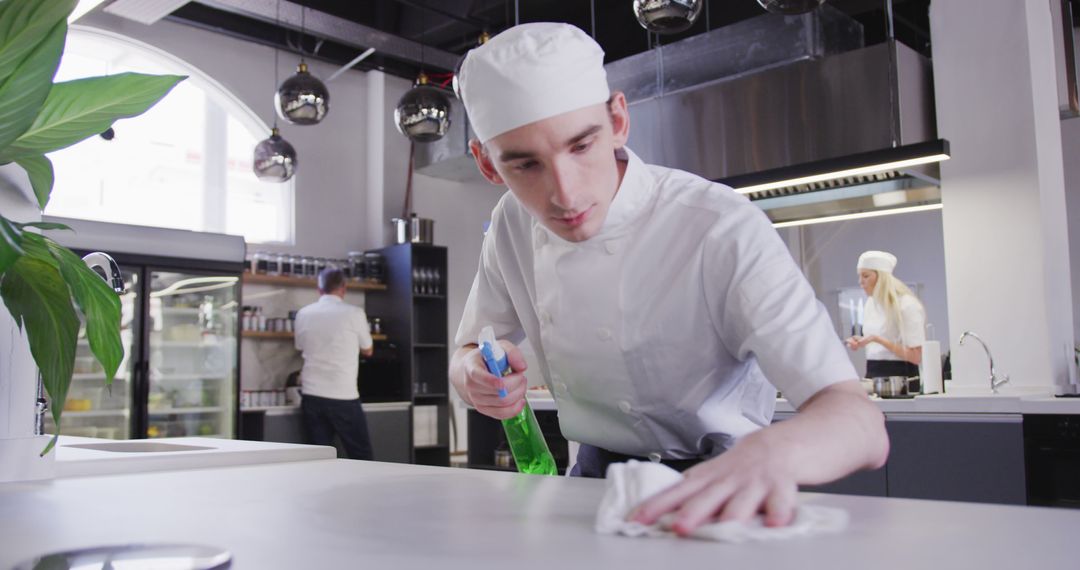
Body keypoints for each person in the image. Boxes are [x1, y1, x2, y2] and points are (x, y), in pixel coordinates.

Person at [449, 22, 888, 535]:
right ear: (486, 163)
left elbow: (861, 425)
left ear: (617, 120)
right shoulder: (510, 223)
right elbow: (466, 355)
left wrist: (775, 452)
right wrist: (476, 377)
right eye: (525, 165)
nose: (564, 194)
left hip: (726, 485)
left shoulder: (717, 225)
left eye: (582, 146)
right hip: (591, 487)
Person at [294, 267, 375, 460]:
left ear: (319, 289)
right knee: (361, 456)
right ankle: (365, 491)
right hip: (343, 396)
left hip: (312, 395)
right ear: (344, 288)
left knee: (318, 458)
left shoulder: (303, 314)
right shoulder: (354, 313)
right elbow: (368, 349)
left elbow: (299, 346)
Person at [845, 250, 927, 378]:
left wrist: (877, 339)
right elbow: (877, 341)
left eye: (866, 276)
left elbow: (915, 357)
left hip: (901, 377)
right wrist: (861, 341)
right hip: (873, 374)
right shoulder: (870, 304)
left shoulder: (907, 304)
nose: (860, 282)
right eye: (859, 276)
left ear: (882, 278)